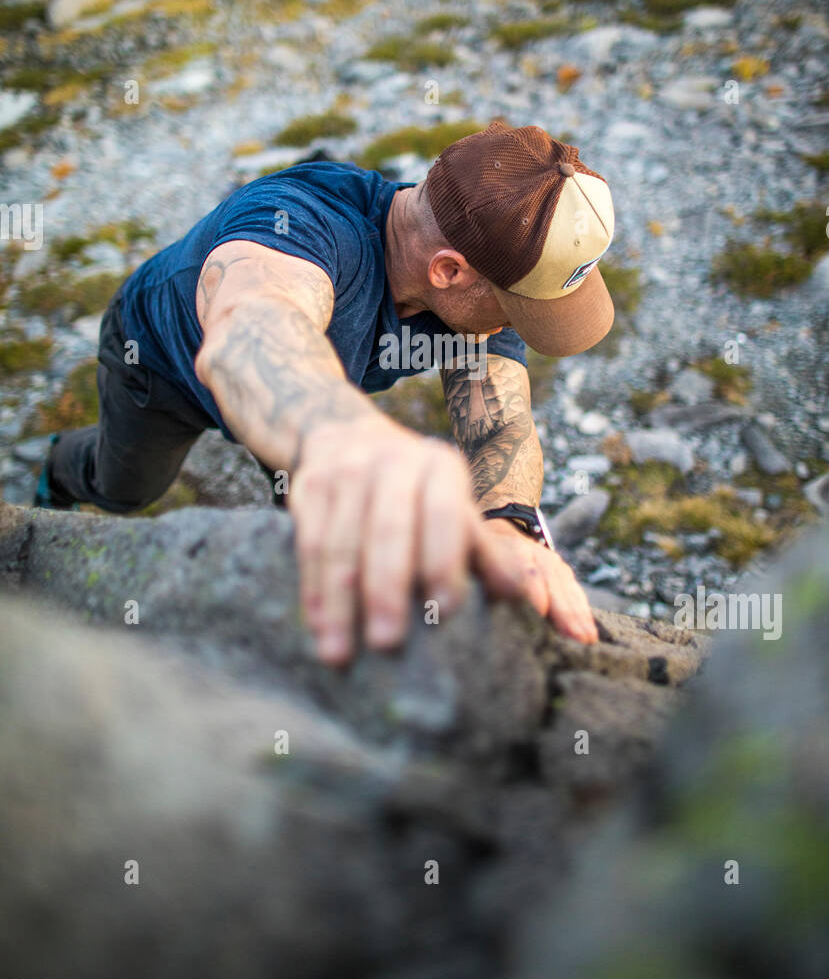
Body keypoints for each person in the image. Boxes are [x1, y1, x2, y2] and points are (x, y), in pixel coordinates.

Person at [37, 122, 616, 665]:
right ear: (448, 271)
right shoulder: (297, 224)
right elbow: (252, 332)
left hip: (312, 394)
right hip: (162, 366)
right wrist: (345, 437)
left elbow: (497, 424)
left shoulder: (490, 267)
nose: (513, 326)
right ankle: (58, 470)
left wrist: (508, 525)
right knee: (126, 490)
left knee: (321, 520)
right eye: (516, 306)